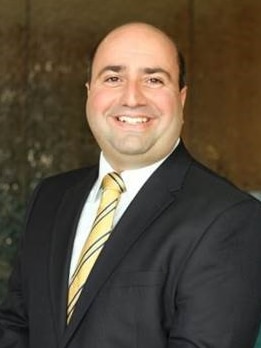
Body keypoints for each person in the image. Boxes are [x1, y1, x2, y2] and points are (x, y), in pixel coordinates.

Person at [0, 21, 261, 348]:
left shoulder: (231, 219)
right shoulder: (50, 198)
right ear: (89, 93)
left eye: (153, 79)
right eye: (113, 78)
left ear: (182, 98)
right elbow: (16, 325)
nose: (132, 97)